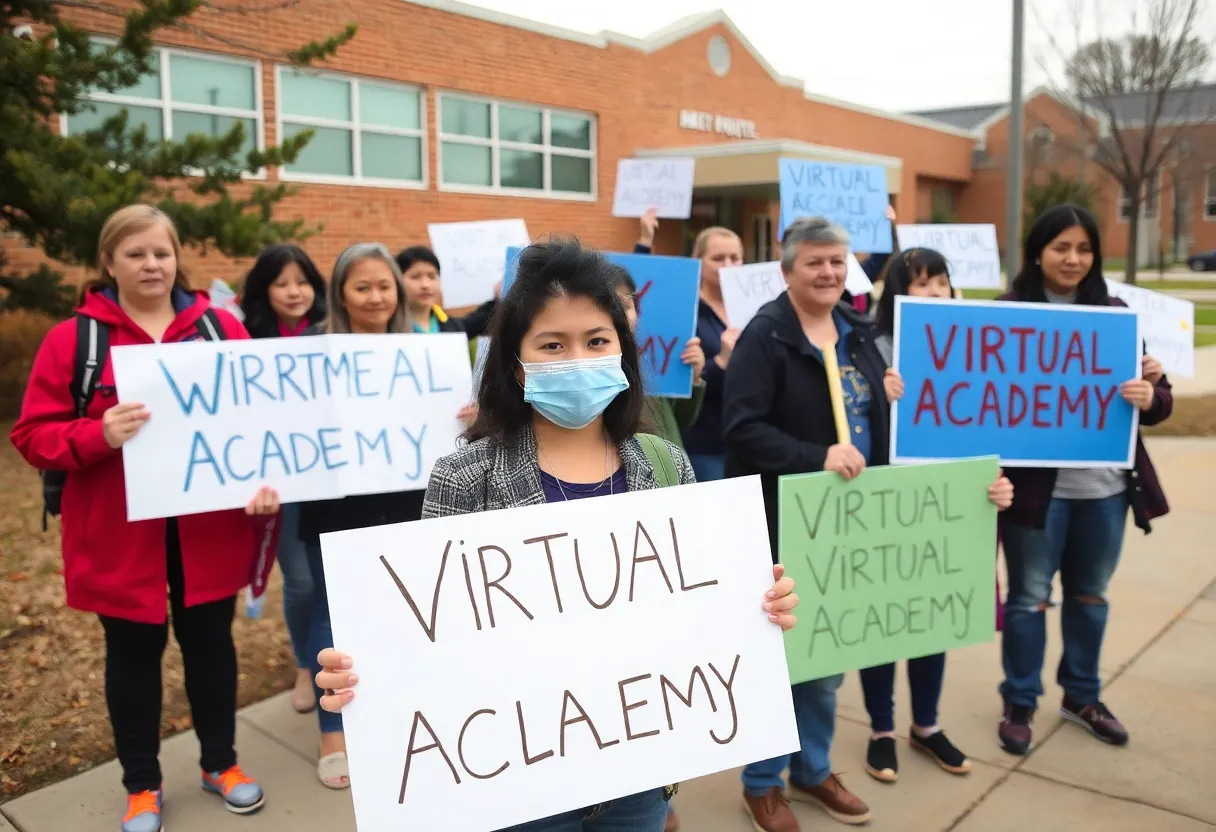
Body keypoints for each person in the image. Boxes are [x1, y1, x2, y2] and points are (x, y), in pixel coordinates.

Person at [312, 238, 800, 832]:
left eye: (596, 341)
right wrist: (369, 675)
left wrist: (756, 607)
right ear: (516, 365)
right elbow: (426, 634)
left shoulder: (666, 465)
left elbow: (698, 613)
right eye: (552, 344)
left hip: (638, 781)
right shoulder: (465, 476)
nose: (577, 359)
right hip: (518, 786)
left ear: (622, 351)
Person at [10, 204, 282, 832]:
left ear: (176, 256)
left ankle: (222, 764)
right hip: (118, 535)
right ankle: (142, 785)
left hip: (207, 530)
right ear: (109, 262)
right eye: (135, 254)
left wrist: (268, 481)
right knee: (132, 655)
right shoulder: (74, 340)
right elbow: (31, 435)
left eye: (161, 252)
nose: (151, 264)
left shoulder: (218, 329)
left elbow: (260, 421)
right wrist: (95, 432)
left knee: (211, 647)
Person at [297, 242, 477, 789]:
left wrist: (468, 416)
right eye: (362, 287)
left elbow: (454, 424)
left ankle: (399, 716)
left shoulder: (430, 350)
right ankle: (334, 733)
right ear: (341, 295)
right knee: (335, 616)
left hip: (408, 502)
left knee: (407, 611)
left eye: (384, 286)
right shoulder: (309, 350)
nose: (376, 297)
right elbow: (285, 430)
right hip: (335, 504)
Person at [994, 205, 1173, 755]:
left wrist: (1152, 393)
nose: (1073, 259)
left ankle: (1082, 695)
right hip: (1034, 495)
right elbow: (977, 402)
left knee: (1091, 597)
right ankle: (1020, 701)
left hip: (1105, 492)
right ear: (1037, 252)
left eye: (1084, 249)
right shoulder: (1005, 314)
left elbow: (1157, 401)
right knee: (1028, 599)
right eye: (1061, 247)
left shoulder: (1115, 314)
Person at [722, 216, 881, 831]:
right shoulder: (767, 336)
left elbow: (873, 414)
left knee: (826, 655)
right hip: (783, 520)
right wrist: (816, 457)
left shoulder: (859, 332)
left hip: (847, 522)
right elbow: (742, 428)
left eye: (838, 262)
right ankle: (762, 783)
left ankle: (812, 768)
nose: (829, 273)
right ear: (788, 270)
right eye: (815, 262)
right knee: (778, 656)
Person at [865, 248, 1015, 784]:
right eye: (919, 282)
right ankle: (882, 729)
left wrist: (995, 483)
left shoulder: (974, 347)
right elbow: (852, 428)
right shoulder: (869, 348)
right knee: (881, 623)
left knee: (932, 620)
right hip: (888, 507)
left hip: (948, 510)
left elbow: (992, 423)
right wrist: (879, 398)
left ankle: (925, 726)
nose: (932, 292)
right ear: (896, 291)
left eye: (941, 282)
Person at [237, 243, 328, 714]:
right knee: (301, 582)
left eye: (303, 281)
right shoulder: (241, 341)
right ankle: (305, 664)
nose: (294, 292)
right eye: (281, 283)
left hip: (336, 475)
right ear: (263, 290)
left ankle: (328, 659)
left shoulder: (338, 333)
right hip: (282, 483)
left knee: (333, 579)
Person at [635, 219, 743, 482]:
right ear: (698, 261)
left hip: (748, 438)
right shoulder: (684, 312)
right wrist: (718, 362)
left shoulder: (752, 308)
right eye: (719, 258)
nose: (728, 265)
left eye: (735, 257)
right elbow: (676, 378)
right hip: (707, 441)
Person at [624, 213, 707, 451]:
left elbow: (681, 420)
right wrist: (644, 241)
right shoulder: (603, 371)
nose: (623, 314)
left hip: (670, 471)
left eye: (629, 306)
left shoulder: (652, 363)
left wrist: (694, 378)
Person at [395, 245, 497, 337]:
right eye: (415, 277)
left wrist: (500, 297)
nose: (425, 285)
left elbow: (479, 321)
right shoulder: (389, 329)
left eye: (432, 276)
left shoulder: (453, 327)